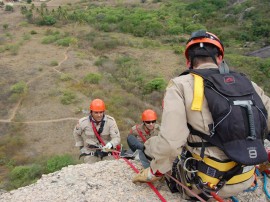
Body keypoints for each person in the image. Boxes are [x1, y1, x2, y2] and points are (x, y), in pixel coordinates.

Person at [132, 30, 270, 200]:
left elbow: (170, 143)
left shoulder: (180, 85)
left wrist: (154, 172)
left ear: (188, 61)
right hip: (246, 177)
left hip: (205, 184)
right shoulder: (249, 84)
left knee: (153, 145)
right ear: (219, 58)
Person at [73, 98, 121, 163]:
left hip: (107, 150)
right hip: (91, 150)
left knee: (110, 165)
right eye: (96, 112)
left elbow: (116, 138)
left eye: (101, 112)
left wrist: (111, 144)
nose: (99, 115)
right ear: (91, 112)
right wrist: (81, 147)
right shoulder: (83, 122)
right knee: (90, 166)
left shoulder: (110, 121)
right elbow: (76, 133)